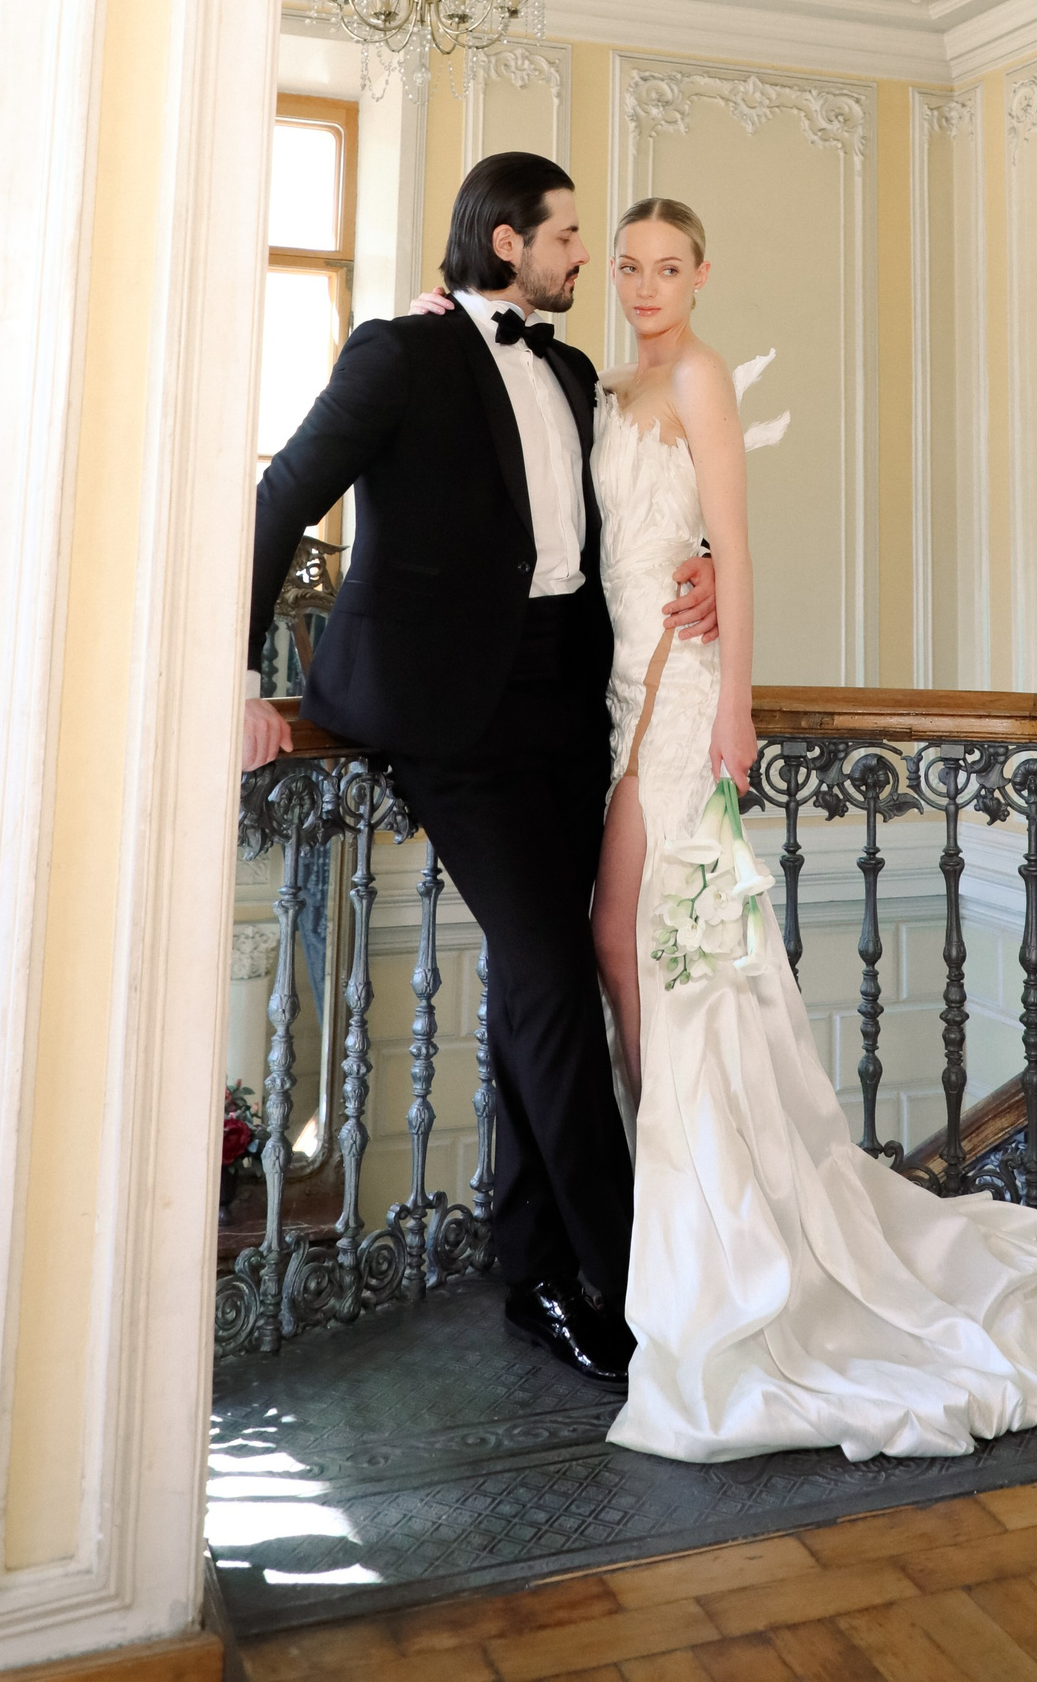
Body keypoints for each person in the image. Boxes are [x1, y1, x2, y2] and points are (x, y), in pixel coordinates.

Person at [416, 197, 1037, 1462]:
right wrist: (438, 317)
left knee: (638, 942)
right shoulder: (602, 384)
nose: (644, 284)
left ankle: (698, 1217)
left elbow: (734, 546)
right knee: (635, 946)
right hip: (616, 689)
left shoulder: (704, 379)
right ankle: (676, 1210)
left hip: (682, 696)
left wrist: (736, 706)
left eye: (667, 267)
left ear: (701, 275)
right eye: (628, 265)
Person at [242, 154, 716, 1388]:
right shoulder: (398, 355)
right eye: (568, 238)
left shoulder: (567, 369)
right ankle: (635, 1282)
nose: (583, 259)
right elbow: (281, 496)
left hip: (571, 708)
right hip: (452, 724)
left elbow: (646, 499)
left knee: (534, 986)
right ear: (508, 242)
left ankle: (537, 1270)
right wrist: (237, 679)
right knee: (553, 973)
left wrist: (710, 562)